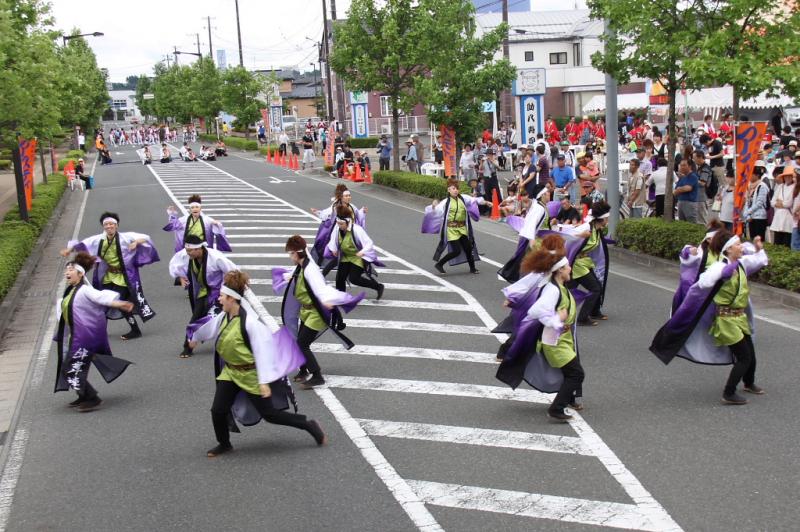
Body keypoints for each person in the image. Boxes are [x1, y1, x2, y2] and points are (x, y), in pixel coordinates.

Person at [188, 270, 327, 457]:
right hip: (230, 372)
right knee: (218, 410)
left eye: (222, 296)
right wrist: (195, 337)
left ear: (232, 299)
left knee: (271, 415)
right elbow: (210, 328)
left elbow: (264, 353)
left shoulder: (250, 324)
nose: (219, 299)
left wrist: (264, 382)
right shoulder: (225, 316)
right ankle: (224, 443)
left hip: (252, 375)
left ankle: (308, 425)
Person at [650, 231, 768, 405]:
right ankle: (729, 393)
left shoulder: (742, 264)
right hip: (726, 321)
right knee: (744, 357)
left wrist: (759, 249)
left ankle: (749, 383)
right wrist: (724, 272)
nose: (741, 246)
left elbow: (759, 260)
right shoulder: (719, 267)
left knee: (750, 353)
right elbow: (703, 282)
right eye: (737, 244)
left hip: (739, 319)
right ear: (728, 250)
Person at [495, 243, 585, 421]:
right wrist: (555, 320)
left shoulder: (558, 287)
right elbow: (535, 311)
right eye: (567, 266)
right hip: (554, 342)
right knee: (576, 374)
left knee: (571, 373)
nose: (570, 268)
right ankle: (557, 408)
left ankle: (567, 400)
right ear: (559, 271)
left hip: (561, 339)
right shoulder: (552, 290)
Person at [272, 236, 365, 388]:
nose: (290, 256)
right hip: (306, 311)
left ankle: (317, 376)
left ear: (296, 253)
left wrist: (327, 300)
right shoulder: (302, 266)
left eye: (290, 253)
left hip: (315, 312)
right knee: (298, 341)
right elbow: (297, 277)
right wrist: (286, 277)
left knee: (302, 343)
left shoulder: (309, 269)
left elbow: (320, 287)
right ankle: (303, 370)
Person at [54, 252, 135, 412]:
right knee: (69, 366)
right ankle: (83, 396)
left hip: (84, 337)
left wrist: (120, 304)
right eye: (66, 270)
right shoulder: (70, 291)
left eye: (71, 270)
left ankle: (92, 398)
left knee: (72, 367)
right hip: (76, 336)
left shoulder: (84, 290)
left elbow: (101, 298)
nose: (67, 272)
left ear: (80, 273)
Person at [60, 212, 159, 340]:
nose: (109, 226)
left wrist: (136, 243)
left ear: (116, 225)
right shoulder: (99, 239)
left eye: (111, 224)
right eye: (106, 224)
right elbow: (83, 244)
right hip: (107, 275)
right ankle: (101, 331)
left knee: (119, 301)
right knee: (102, 303)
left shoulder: (126, 237)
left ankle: (135, 330)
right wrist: (69, 250)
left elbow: (145, 237)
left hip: (124, 276)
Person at [169, 235, 238, 358]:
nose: (187, 253)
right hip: (203, 292)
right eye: (187, 250)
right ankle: (187, 347)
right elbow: (175, 263)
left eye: (190, 250)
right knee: (194, 320)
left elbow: (232, 270)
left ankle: (230, 344)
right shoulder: (186, 255)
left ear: (199, 249)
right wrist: (180, 276)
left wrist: (229, 290)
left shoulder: (215, 257)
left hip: (219, 293)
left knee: (216, 319)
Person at [422, 178, 484, 274]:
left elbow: (474, 200)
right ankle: (439, 264)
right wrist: (434, 206)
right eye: (453, 188)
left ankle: (472, 268)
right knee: (456, 251)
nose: (455, 190)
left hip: (462, 228)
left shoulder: (463, 198)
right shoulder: (446, 202)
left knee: (468, 248)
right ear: (449, 190)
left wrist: (486, 202)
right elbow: (436, 211)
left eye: (456, 189)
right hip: (451, 229)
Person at [325, 205, 385, 300]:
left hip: (357, 257)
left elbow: (369, 243)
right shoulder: (337, 229)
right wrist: (334, 249)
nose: (339, 225)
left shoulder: (357, 230)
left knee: (354, 279)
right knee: (340, 277)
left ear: (348, 222)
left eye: (341, 224)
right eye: (338, 223)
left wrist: (362, 252)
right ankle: (341, 297)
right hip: (345, 256)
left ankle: (378, 286)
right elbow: (333, 240)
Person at [567, 202, 611, 326]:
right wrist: (580, 235)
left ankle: (594, 311)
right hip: (576, 264)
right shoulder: (586, 228)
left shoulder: (597, 230)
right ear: (601, 219)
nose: (608, 220)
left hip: (585, 263)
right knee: (595, 288)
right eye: (606, 218)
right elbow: (567, 237)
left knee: (569, 290)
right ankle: (582, 317)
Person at [498, 184, 552, 283]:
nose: (549, 194)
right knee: (536, 267)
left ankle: (526, 286)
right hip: (535, 240)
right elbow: (531, 225)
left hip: (537, 240)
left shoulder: (540, 206)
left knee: (533, 267)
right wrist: (532, 243)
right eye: (547, 192)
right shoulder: (539, 208)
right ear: (543, 195)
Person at [310, 185, 367, 273]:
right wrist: (318, 212)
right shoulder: (336, 206)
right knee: (342, 254)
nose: (349, 197)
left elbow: (358, 216)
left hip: (350, 234)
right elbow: (326, 214)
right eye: (346, 196)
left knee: (346, 254)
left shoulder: (352, 206)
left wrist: (362, 212)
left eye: (349, 195)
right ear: (341, 197)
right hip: (340, 234)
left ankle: (330, 272)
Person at [164, 194, 231, 253]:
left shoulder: (208, 220)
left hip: (203, 249)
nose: (195, 209)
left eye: (197, 207)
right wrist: (172, 214)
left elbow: (218, 230)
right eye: (192, 207)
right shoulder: (183, 220)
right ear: (190, 209)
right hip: (188, 249)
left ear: (200, 208)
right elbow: (173, 225)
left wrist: (217, 225)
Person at [742, 163, 770, 240]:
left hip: (760, 217)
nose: (749, 176)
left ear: (757, 175)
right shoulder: (750, 186)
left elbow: (759, 203)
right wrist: (747, 215)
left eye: (751, 174)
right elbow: (748, 201)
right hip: (751, 216)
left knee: (759, 239)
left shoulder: (762, 186)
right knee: (752, 239)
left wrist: (748, 212)